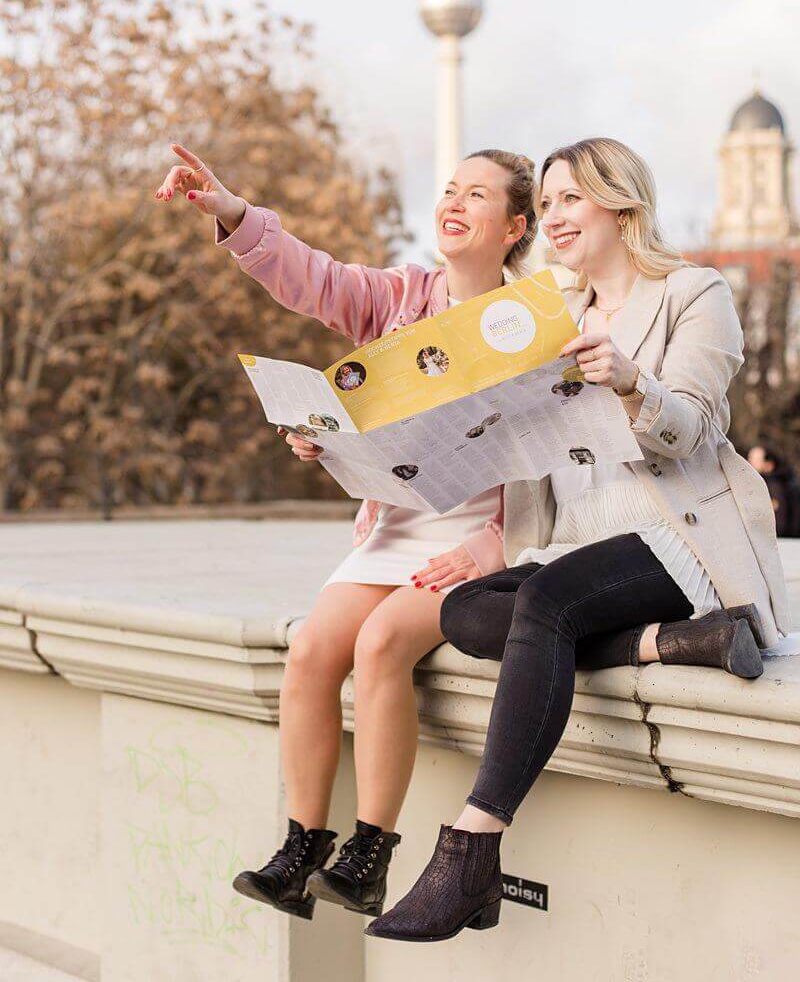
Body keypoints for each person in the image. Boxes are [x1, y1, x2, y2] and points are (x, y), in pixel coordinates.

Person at [366, 136, 794, 943]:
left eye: (571, 199)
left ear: (621, 204)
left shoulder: (694, 294)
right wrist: (351, 439)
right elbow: (478, 432)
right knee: (464, 616)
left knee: (548, 606)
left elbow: (695, 428)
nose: (554, 218)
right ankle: (673, 644)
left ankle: (474, 843)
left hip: (676, 537)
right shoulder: (545, 316)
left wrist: (633, 380)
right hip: (569, 543)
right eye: (550, 201)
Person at [155, 142, 534, 920]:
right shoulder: (399, 298)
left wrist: (492, 549)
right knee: (310, 650)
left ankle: (369, 854)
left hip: (478, 543)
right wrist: (230, 211)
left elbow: (558, 465)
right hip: (394, 528)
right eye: (450, 189)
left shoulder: (535, 326)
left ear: (515, 226)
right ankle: (302, 847)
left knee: (381, 645)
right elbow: (312, 278)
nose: (454, 204)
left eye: (478, 196)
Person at [747, 444, 800, 538]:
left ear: (769, 464)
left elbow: (779, 524)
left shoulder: (774, 487)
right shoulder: (783, 482)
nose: (749, 463)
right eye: (749, 459)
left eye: (755, 460)